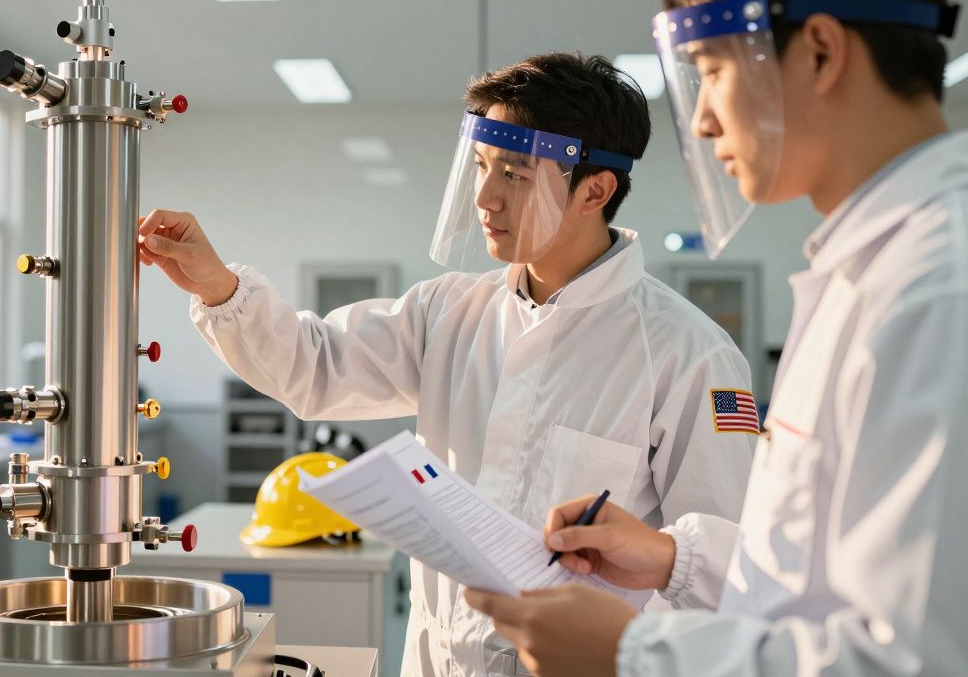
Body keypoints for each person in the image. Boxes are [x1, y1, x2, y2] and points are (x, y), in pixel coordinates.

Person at [139, 52, 757, 677]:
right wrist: (217, 286)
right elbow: (315, 368)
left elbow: (726, 567)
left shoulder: (686, 353)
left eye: (515, 173)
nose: (484, 198)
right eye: (483, 168)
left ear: (594, 190)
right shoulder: (450, 310)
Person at [464, 0, 967, 675]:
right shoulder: (869, 271)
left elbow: (910, 659)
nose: (699, 121)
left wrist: (633, 652)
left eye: (715, 74)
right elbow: (819, 577)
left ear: (821, 52)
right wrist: (674, 557)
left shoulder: (935, 293)